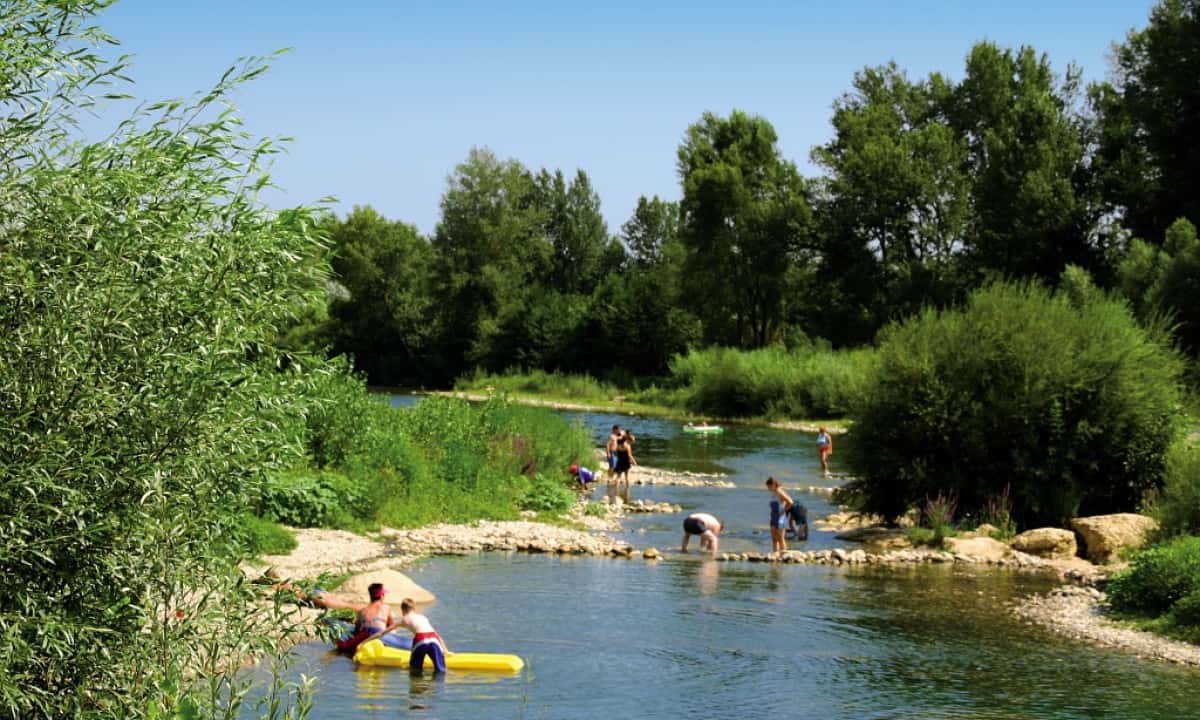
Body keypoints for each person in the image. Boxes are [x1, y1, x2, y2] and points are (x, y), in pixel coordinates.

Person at [369, 597, 452, 674]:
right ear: (414, 608)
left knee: (415, 670)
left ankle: (417, 683)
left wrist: (363, 642)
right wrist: (446, 651)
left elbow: (381, 633)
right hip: (434, 639)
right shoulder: (423, 617)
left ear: (403, 610)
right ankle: (438, 688)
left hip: (421, 639)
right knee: (441, 670)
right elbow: (438, 636)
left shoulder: (403, 619)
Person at [312, 582, 398, 653]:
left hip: (366, 634)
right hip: (378, 635)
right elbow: (392, 627)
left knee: (344, 645)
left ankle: (325, 621)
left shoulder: (363, 610)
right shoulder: (386, 608)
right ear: (382, 596)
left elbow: (357, 630)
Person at [765, 477, 794, 553]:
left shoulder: (779, 492)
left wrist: (783, 511)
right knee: (774, 539)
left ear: (773, 485)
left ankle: (784, 556)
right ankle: (775, 555)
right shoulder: (774, 493)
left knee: (780, 538)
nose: (768, 488)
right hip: (773, 517)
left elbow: (790, 502)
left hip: (780, 518)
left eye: (769, 486)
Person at [613, 430, 636, 502]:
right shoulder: (627, 446)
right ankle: (627, 489)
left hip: (619, 461)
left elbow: (615, 452)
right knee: (627, 476)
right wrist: (634, 461)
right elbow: (629, 455)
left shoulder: (618, 446)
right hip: (626, 462)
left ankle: (616, 490)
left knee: (618, 476)